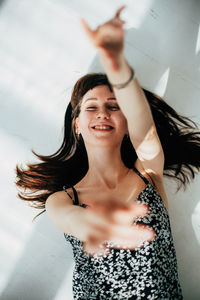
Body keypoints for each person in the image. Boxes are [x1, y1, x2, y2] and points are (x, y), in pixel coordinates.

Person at [16, 6, 200, 299]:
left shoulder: (148, 172)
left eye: (113, 106)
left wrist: (115, 64)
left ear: (126, 124)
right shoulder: (63, 199)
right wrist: (95, 224)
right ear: (77, 125)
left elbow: (144, 122)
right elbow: (72, 220)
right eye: (91, 107)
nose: (102, 113)